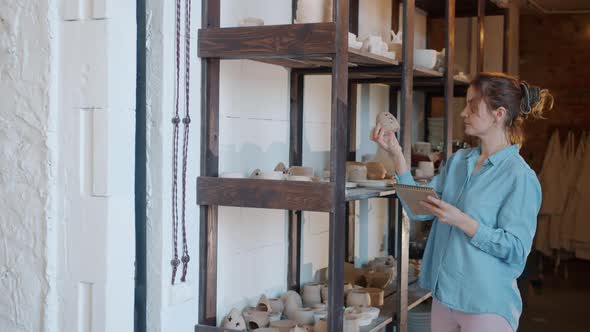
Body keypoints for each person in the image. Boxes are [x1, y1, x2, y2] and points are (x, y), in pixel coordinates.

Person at [371, 72, 554, 332]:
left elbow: (515, 249)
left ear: (498, 114)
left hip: (485, 305)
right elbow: (421, 209)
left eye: (472, 105)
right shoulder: (459, 161)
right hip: (444, 297)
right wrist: (396, 153)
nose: (462, 113)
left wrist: (463, 221)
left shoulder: (520, 177)